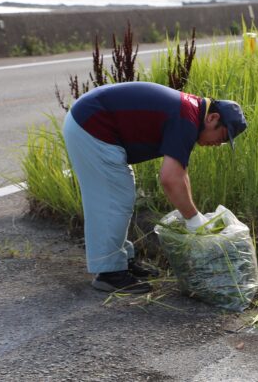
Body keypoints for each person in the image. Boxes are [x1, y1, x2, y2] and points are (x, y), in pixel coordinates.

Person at [62, 82, 247, 294]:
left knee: (119, 196)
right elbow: (170, 178)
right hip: (91, 125)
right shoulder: (187, 118)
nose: (218, 144)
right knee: (113, 199)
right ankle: (110, 274)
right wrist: (194, 219)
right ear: (212, 118)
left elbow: (180, 174)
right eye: (222, 137)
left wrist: (195, 216)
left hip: (90, 122)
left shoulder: (190, 113)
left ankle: (121, 262)